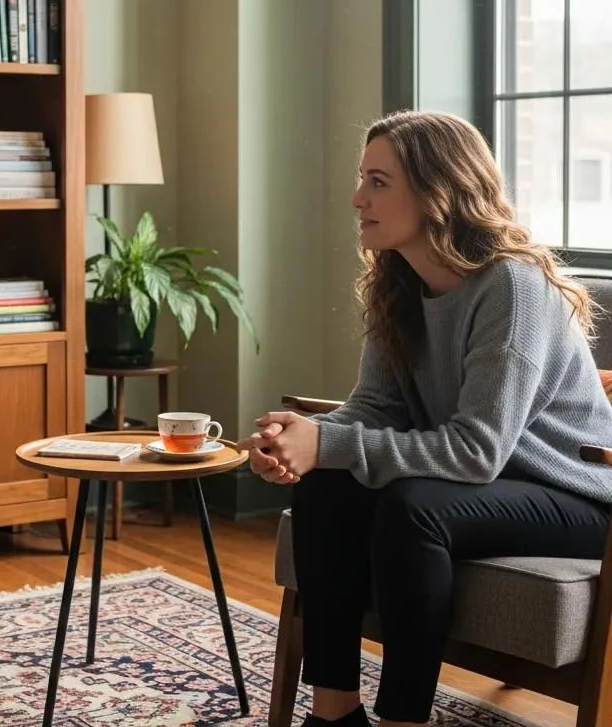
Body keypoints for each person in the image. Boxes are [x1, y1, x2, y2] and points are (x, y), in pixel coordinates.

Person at [240, 110, 612, 727]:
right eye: (362, 179)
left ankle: (403, 719)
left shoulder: (511, 287)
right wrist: (301, 444)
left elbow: (477, 451)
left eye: (379, 182)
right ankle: (333, 714)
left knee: (415, 508)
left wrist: (329, 441)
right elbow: (377, 407)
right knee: (327, 485)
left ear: (441, 190)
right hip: (487, 487)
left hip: (574, 495)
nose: (358, 198)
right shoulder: (399, 283)